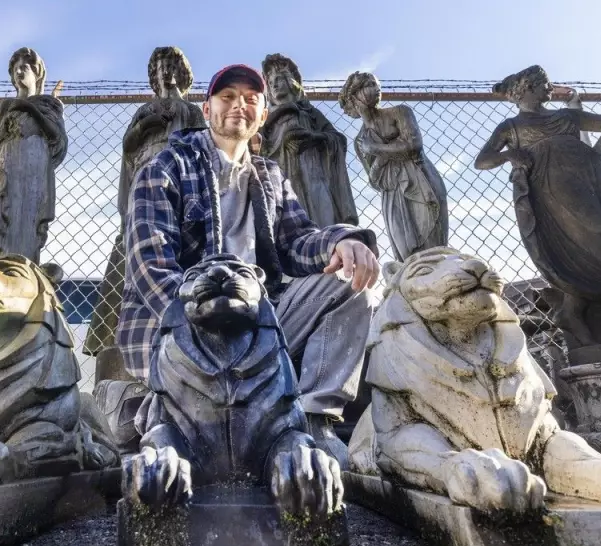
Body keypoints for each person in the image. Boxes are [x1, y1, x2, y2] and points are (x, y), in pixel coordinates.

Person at [117, 64, 380, 466]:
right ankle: (157, 415)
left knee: (350, 281)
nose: (239, 105)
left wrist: (343, 241)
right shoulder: (166, 167)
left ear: (262, 116)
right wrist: (201, 316)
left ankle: (311, 421)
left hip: (259, 326)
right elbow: (149, 264)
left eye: (250, 99)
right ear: (206, 110)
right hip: (178, 324)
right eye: (227, 97)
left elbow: (299, 242)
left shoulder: (271, 176)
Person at [84, 46, 206, 357]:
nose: (165, 71)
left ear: (180, 72)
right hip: (145, 172)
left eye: (170, 66)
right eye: (160, 67)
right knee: (139, 244)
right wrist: (148, 124)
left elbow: (201, 142)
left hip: (179, 177)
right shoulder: (144, 109)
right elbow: (129, 146)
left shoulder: (191, 109)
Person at [475, 65, 601, 347]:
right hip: (552, 185)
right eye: (544, 84)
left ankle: (573, 312)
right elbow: (483, 160)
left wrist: (592, 154)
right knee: (596, 232)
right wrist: (511, 154)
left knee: (590, 239)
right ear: (528, 89)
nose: (549, 89)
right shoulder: (511, 127)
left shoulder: (567, 116)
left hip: (592, 178)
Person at [0, 47, 67, 265]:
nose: (19, 73)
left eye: (25, 68)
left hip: (32, 176)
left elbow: (57, 139)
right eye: (15, 70)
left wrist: (30, 110)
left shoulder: (48, 106)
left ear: (37, 73)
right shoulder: (0, 108)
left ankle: (20, 268)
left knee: (25, 222)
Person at [340, 71, 448, 261]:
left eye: (376, 84)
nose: (376, 88)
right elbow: (374, 180)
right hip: (391, 193)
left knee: (433, 249)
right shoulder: (360, 140)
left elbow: (414, 146)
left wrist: (376, 149)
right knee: (406, 256)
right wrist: (386, 153)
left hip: (419, 179)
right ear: (355, 97)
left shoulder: (400, 112)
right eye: (369, 85)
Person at [259, 53, 357, 227]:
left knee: (323, 220)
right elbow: (257, 148)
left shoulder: (309, 113)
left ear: (292, 82)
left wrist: (314, 138)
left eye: (280, 79)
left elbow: (337, 140)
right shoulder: (264, 121)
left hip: (313, 173)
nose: (274, 85)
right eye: (271, 82)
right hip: (279, 177)